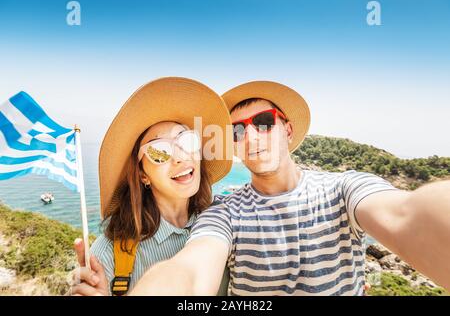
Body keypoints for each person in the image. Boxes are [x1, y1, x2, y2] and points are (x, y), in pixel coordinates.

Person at [130, 80, 450, 296]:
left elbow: (405, 214)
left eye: (265, 122)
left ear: (288, 129)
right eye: (238, 131)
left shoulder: (343, 188)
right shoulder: (224, 213)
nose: (252, 137)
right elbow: (192, 267)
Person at [71, 77, 233, 296]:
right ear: (142, 174)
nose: (179, 157)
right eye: (159, 151)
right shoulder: (109, 254)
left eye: (186, 140)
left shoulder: (226, 221)